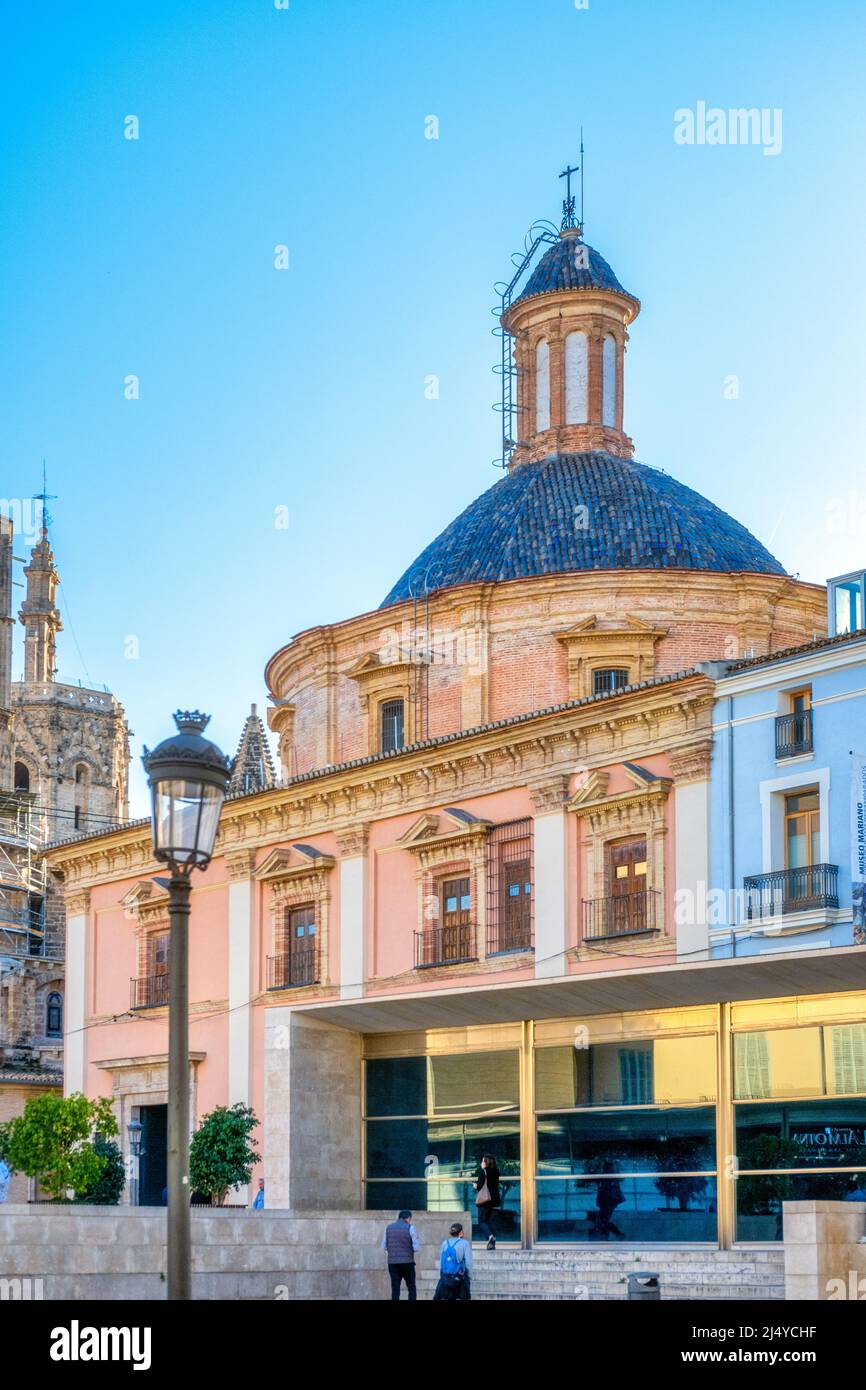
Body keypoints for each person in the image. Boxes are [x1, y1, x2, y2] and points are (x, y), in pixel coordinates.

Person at [380, 1209, 420, 1300]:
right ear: (409, 1218)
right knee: (411, 1287)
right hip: (407, 1262)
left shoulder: (388, 1227)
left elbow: (384, 1246)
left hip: (393, 1263)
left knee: (395, 1288)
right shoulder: (410, 1228)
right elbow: (416, 1247)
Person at [433, 1221, 472, 1300]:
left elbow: (442, 1261)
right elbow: (468, 1262)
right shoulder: (464, 1243)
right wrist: (470, 1276)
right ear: (460, 1232)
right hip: (458, 1277)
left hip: (446, 1276)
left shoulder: (445, 1243)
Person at [474, 1153, 501, 1250]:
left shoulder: (483, 1172)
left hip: (485, 1201)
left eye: (482, 1161)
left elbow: (480, 1187)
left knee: (482, 1221)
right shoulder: (497, 1171)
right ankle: (492, 1241)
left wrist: (475, 1185)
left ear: (486, 1162)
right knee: (490, 1221)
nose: (481, 1163)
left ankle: (490, 1236)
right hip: (495, 1200)